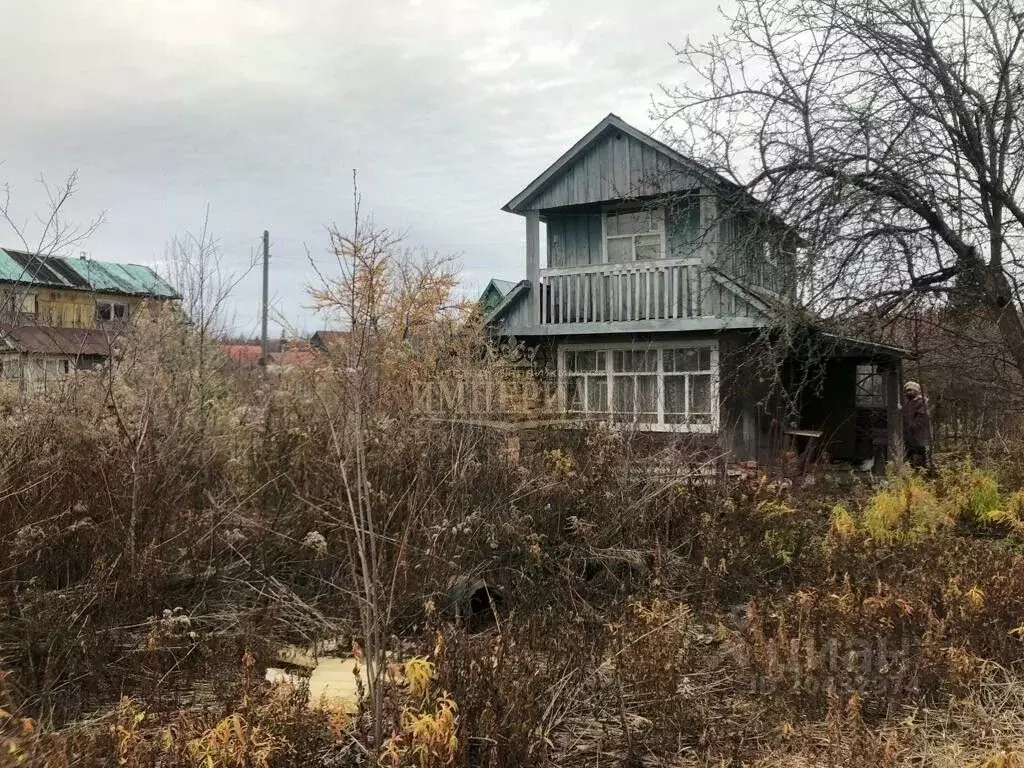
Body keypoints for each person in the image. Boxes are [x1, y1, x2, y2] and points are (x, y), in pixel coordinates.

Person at [902, 380, 932, 470]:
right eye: (907, 390)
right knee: (910, 456)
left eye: (910, 390)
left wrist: (912, 427)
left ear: (916, 390)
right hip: (909, 436)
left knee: (921, 456)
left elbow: (923, 419)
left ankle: (924, 474)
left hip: (920, 435)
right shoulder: (907, 403)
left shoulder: (923, 402)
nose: (908, 392)